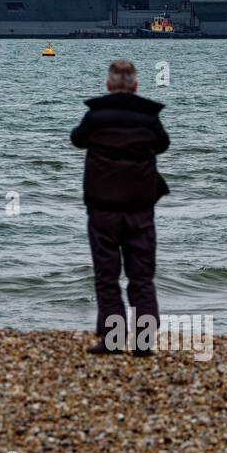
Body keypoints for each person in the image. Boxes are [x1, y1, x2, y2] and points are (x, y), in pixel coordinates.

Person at [69, 59, 170, 355]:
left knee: (107, 275)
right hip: (140, 209)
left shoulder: (95, 116)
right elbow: (163, 145)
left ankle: (113, 340)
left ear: (108, 85)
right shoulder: (149, 119)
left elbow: (77, 140)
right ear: (136, 86)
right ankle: (143, 342)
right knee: (141, 276)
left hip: (103, 209)